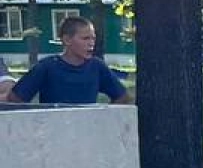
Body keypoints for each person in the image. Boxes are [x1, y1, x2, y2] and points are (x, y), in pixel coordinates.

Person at [3, 17, 131, 105]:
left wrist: (101, 117)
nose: (91, 43)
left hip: (87, 133)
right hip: (53, 133)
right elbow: (15, 99)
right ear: (67, 40)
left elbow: (122, 97)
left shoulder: (97, 67)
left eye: (93, 38)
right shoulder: (47, 67)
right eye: (85, 38)